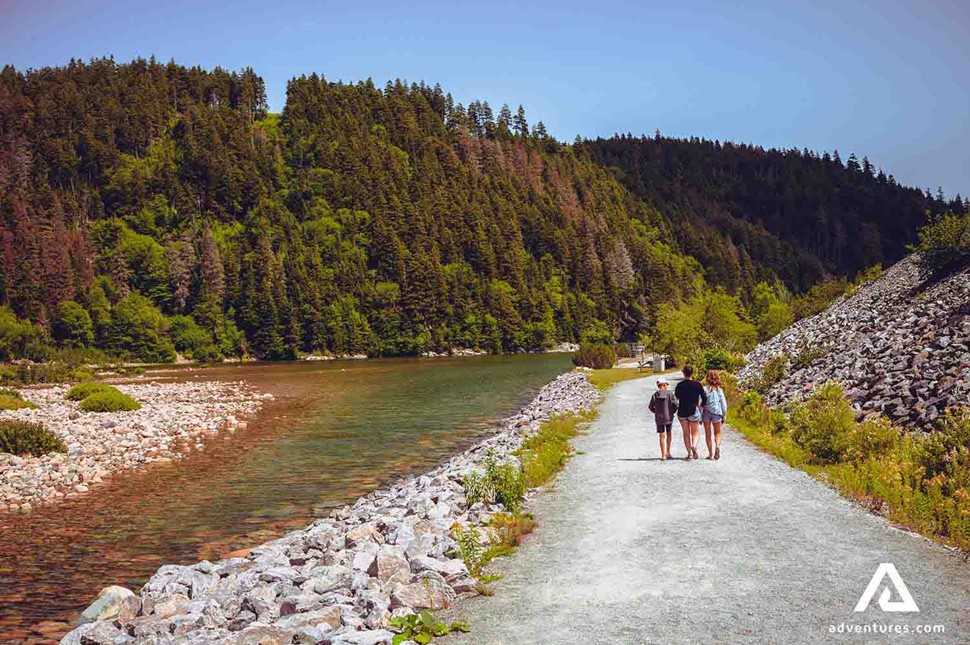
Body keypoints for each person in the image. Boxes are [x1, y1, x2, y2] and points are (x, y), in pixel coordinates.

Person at [674, 365, 707, 460]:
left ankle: (689, 453)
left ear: (683, 373)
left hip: (682, 411)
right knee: (695, 433)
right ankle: (694, 446)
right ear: (692, 373)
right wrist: (700, 406)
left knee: (686, 433)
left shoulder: (680, 385)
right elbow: (704, 398)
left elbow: (677, 397)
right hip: (693, 410)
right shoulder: (697, 384)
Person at [648, 378, 678, 460]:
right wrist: (672, 411)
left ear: (658, 386)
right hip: (669, 417)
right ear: (664, 385)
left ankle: (663, 455)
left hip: (659, 418)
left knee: (661, 435)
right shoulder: (670, 394)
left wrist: (656, 412)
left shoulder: (655, 395)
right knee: (669, 433)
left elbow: (650, 407)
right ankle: (668, 452)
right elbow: (676, 404)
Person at [702, 370, 728, 460]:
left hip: (706, 413)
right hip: (717, 413)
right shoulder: (719, 390)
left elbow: (701, 403)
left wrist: (700, 415)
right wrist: (724, 415)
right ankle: (717, 446)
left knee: (708, 434)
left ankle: (710, 454)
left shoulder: (704, 389)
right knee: (717, 432)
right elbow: (723, 404)